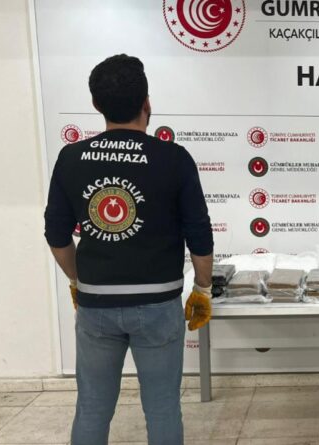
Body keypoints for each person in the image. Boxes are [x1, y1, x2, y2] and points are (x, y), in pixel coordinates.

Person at [44, 54, 214, 445]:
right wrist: (202, 289)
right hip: (158, 304)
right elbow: (199, 236)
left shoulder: (71, 158)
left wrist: (78, 281)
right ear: (147, 102)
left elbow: (56, 235)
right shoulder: (173, 158)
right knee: (163, 408)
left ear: (96, 104)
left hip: (96, 305)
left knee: (92, 407)